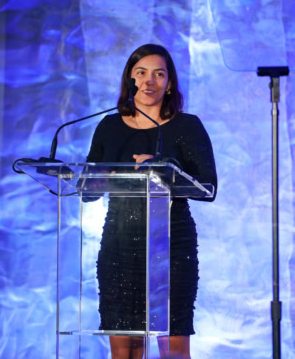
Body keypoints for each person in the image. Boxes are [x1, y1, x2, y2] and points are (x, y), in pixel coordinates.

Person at [86, 43, 217, 359]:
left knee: (172, 351)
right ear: (129, 80)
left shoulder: (187, 126)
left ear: (169, 82)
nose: (149, 81)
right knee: (125, 351)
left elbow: (207, 188)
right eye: (141, 73)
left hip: (171, 248)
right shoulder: (109, 126)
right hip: (119, 247)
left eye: (159, 74)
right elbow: (88, 190)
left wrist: (164, 167)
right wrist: (115, 174)